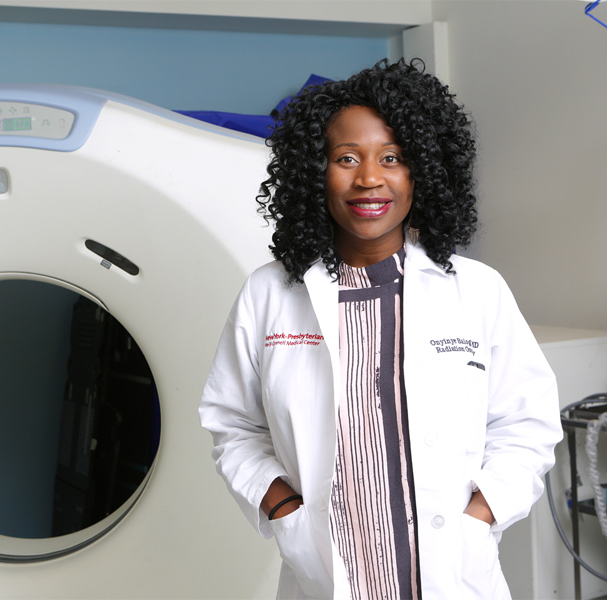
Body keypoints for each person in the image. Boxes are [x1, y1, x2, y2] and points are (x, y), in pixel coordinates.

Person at [198, 58, 562, 600]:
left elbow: (527, 425)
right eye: (346, 158)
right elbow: (233, 424)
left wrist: (478, 518)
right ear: (314, 172)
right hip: (325, 569)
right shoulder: (270, 293)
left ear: (423, 172)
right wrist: (284, 510)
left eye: (392, 158)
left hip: (450, 573)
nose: (369, 178)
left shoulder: (476, 290)